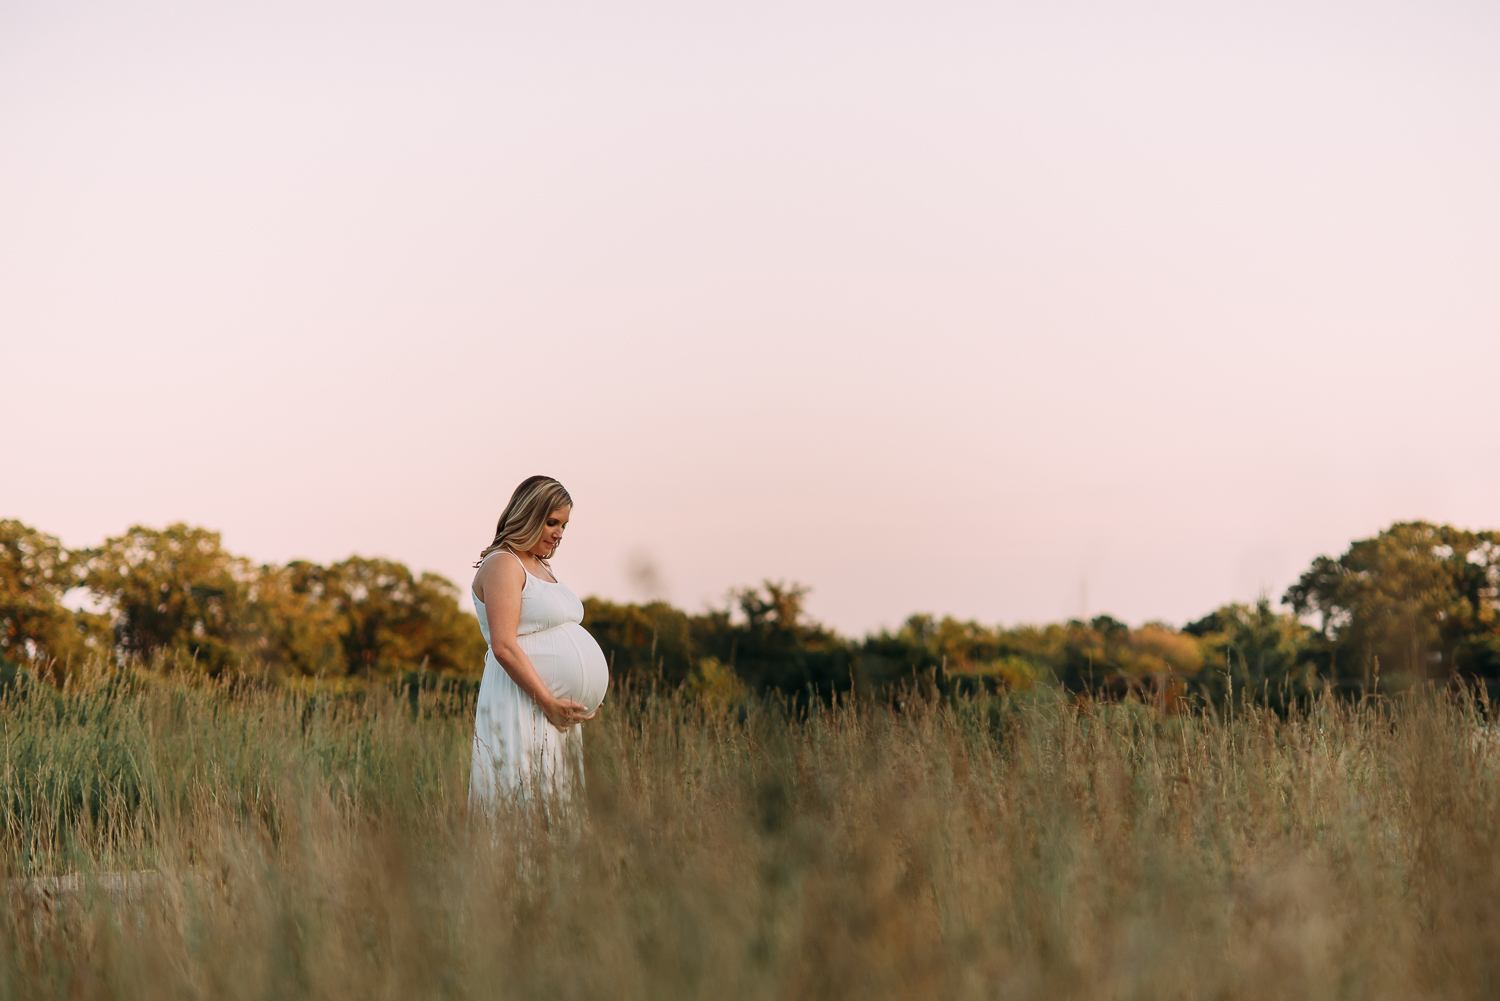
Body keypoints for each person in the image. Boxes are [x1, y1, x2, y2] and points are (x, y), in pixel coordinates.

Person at [468, 475, 610, 813]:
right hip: (522, 702)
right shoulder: (504, 563)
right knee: (523, 798)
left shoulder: (542, 567)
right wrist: (547, 700)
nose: (559, 533)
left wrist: (586, 695)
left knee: (556, 805)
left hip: (552, 711)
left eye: (564, 525)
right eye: (551, 522)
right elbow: (503, 646)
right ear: (528, 515)